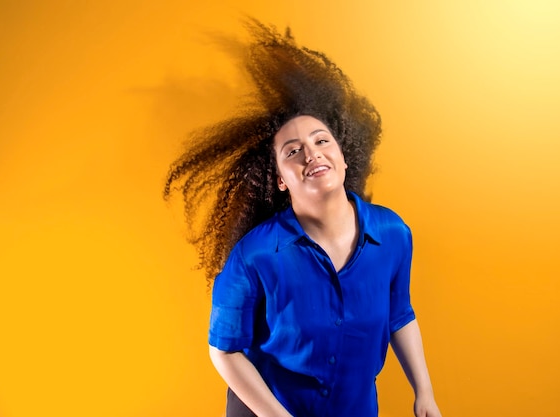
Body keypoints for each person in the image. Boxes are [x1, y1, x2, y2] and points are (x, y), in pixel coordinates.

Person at [164, 19, 442, 417]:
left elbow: (401, 314)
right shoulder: (254, 255)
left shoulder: (393, 234)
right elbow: (223, 350)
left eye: (321, 141)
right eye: (293, 150)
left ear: (344, 158)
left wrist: (424, 392)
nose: (311, 153)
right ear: (279, 179)